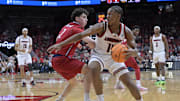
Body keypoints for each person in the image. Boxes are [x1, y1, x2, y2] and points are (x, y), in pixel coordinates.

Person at [48, 5, 143, 101]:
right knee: (92, 68)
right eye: (108, 14)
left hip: (114, 58)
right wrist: (61, 44)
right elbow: (81, 35)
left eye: (111, 15)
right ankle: (99, 99)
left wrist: (135, 53)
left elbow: (134, 48)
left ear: (118, 16)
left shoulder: (126, 31)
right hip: (98, 55)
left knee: (129, 82)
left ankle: (140, 99)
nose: (108, 17)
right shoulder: (101, 26)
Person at [47, 8, 95, 101]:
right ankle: (87, 99)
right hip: (63, 60)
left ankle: (60, 99)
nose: (86, 20)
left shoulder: (67, 26)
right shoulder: (76, 29)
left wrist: (77, 44)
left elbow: (63, 39)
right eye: (84, 17)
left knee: (73, 82)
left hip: (55, 60)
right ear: (77, 18)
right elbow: (91, 42)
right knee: (88, 71)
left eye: (86, 17)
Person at [114, 25, 148, 91]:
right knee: (136, 67)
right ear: (132, 30)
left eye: (138, 31)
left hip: (120, 54)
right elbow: (131, 48)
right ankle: (138, 85)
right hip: (125, 54)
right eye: (136, 30)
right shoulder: (130, 37)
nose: (137, 32)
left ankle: (118, 84)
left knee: (122, 69)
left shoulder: (126, 35)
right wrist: (138, 57)